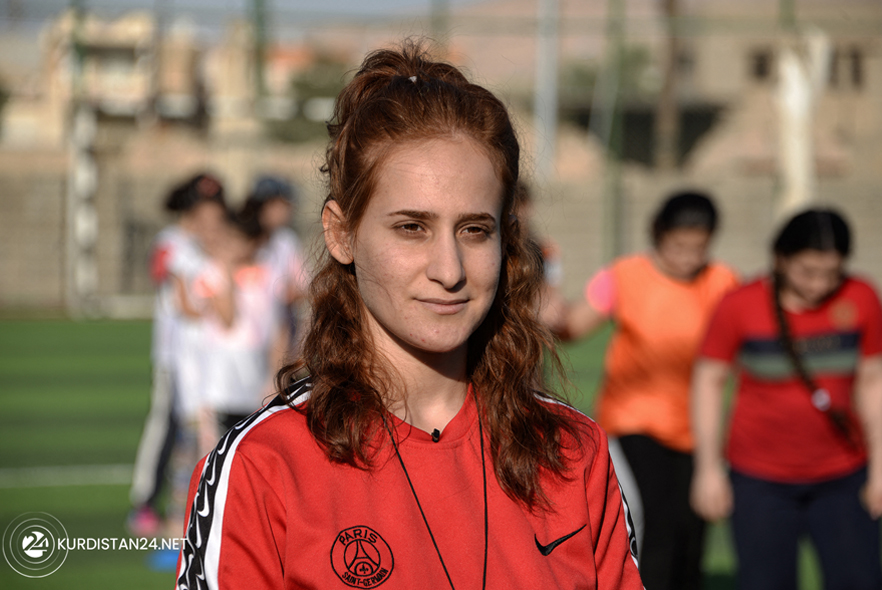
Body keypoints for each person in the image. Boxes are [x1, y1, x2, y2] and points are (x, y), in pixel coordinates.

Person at [175, 42, 642, 590]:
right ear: (341, 232)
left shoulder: (573, 451)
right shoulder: (264, 464)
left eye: (474, 230)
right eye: (411, 228)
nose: (449, 269)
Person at [550, 191, 738, 590]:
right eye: (678, 246)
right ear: (658, 234)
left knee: (692, 530)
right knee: (657, 523)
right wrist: (547, 312)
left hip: (694, 429)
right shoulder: (625, 276)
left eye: (698, 248)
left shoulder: (722, 283)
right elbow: (573, 328)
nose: (688, 257)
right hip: (634, 422)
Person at [691, 208, 882, 590]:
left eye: (831, 273)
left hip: (844, 474)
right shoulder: (739, 304)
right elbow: (708, 381)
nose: (818, 285)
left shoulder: (861, 297)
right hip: (759, 479)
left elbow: (873, 381)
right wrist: (708, 469)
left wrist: (879, 469)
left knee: (859, 579)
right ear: (780, 258)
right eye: (807, 272)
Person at [128, 173, 226, 538]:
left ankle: (196, 505)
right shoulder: (173, 242)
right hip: (175, 354)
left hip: (208, 357)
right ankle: (145, 502)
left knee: (199, 430)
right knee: (166, 424)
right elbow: (167, 276)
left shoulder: (209, 245)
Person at [192, 210, 289, 441]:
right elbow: (227, 319)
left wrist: (276, 374)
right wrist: (226, 271)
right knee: (215, 450)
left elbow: (278, 328)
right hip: (220, 382)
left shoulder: (269, 274)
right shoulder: (211, 273)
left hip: (255, 376)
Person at [241, 175, 309, 355]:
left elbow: (304, 287)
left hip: (277, 338)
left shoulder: (286, 242)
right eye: (275, 206)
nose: (283, 212)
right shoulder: (240, 241)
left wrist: (291, 293)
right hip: (243, 340)